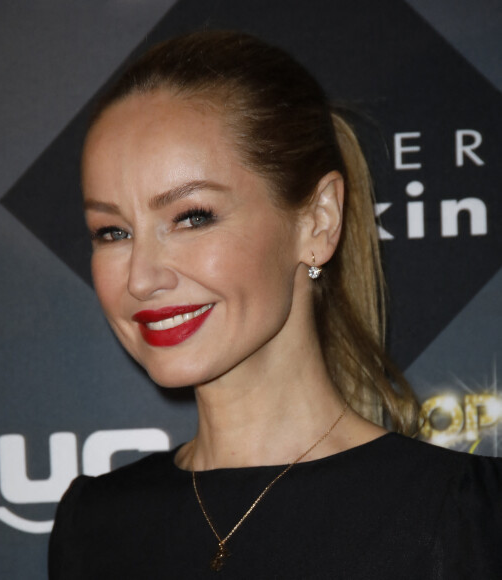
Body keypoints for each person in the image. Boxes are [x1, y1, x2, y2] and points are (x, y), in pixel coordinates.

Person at [48, 30, 502, 579]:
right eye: (113, 232)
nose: (141, 278)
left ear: (317, 221)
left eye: (192, 217)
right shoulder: (93, 526)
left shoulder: (464, 517)